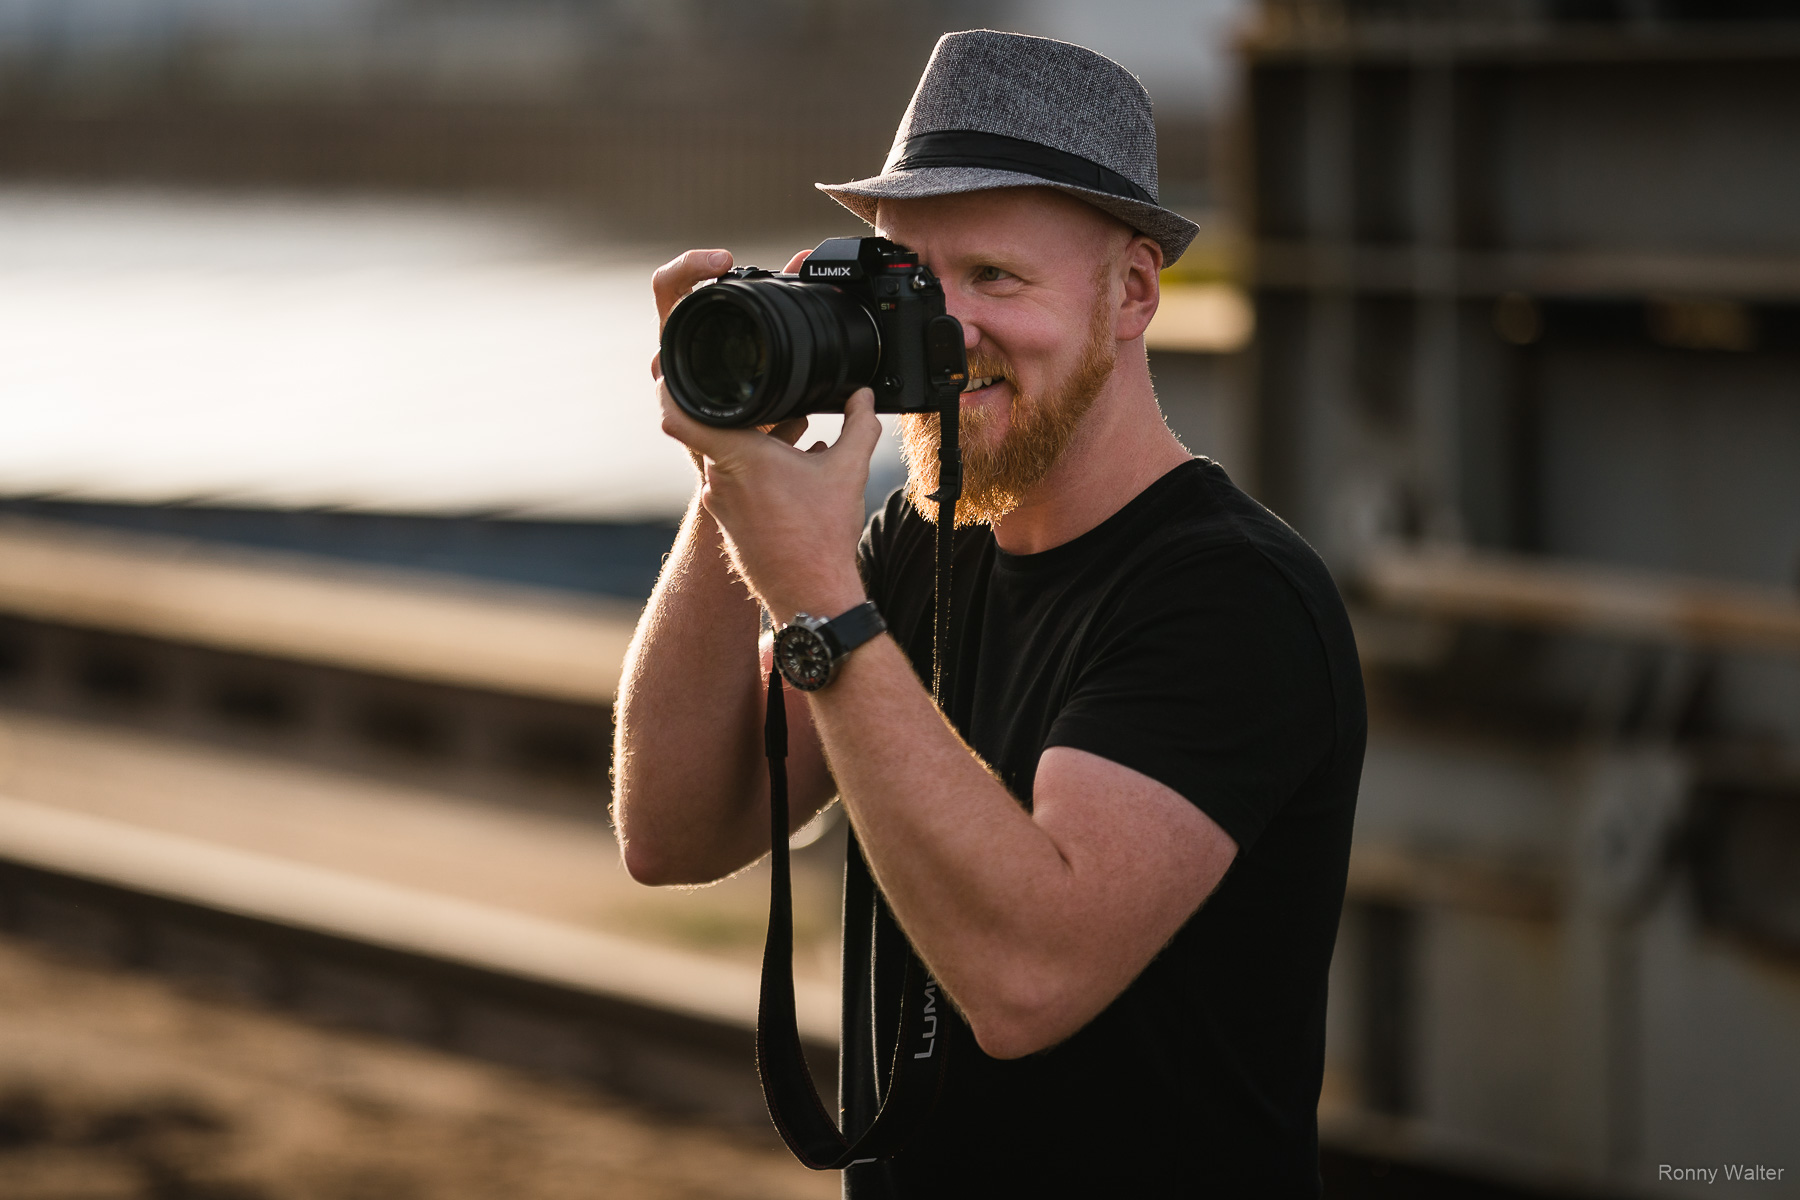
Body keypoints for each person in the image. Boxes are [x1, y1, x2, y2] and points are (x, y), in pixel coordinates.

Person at [613, 29, 1365, 1198]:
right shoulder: (911, 545)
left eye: (996, 280)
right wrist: (735, 471)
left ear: (1131, 293)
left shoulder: (1234, 598)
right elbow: (674, 831)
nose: (946, 335)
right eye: (911, 280)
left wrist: (816, 591)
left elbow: (1027, 981)